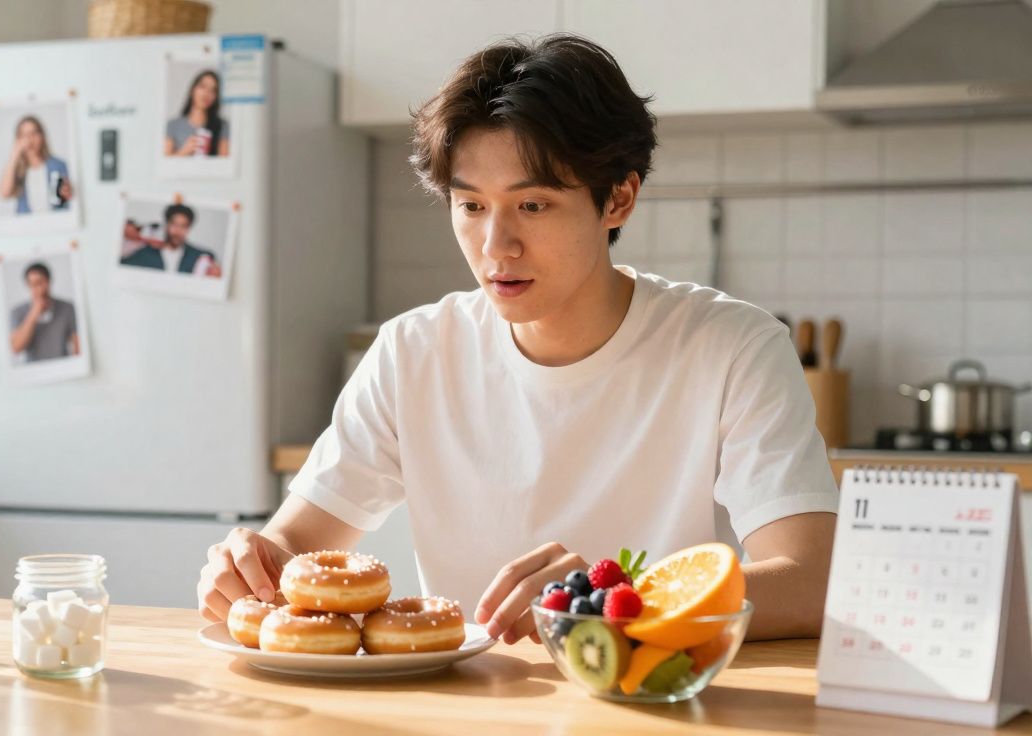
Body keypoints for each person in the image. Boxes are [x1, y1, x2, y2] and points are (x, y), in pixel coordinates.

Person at [197, 34, 839, 644]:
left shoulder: (733, 347)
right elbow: (291, 546)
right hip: (466, 710)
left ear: (618, 198)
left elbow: (813, 580)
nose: (495, 247)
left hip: (653, 701)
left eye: (532, 206)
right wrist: (246, 566)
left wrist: (598, 603)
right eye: (471, 206)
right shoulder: (412, 353)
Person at [120, 203, 222, 277]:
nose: (177, 231)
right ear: (167, 225)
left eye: (183, 226)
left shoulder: (201, 256)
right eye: (174, 224)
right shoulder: (143, 253)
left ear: (189, 228)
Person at [0, 115, 73, 215]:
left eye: (33, 133)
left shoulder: (59, 165)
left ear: (41, 136)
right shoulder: (17, 170)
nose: (29, 140)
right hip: (26, 226)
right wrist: (14, 154)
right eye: (24, 135)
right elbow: (4, 193)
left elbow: (68, 200)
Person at [9, 262, 79, 362]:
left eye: (39, 283)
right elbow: (16, 348)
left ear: (48, 282)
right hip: (33, 372)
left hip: (63, 368)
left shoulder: (68, 308)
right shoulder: (17, 312)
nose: (37, 289)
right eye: (32, 285)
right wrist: (33, 314)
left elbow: (78, 345)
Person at [164, 70, 230, 158]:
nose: (206, 93)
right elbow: (165, 164)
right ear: (193, 89)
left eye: (213, 90)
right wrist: (184, 151)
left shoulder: (222, 126)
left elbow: (224, 163)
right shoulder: (173, 125)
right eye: (202, 86)